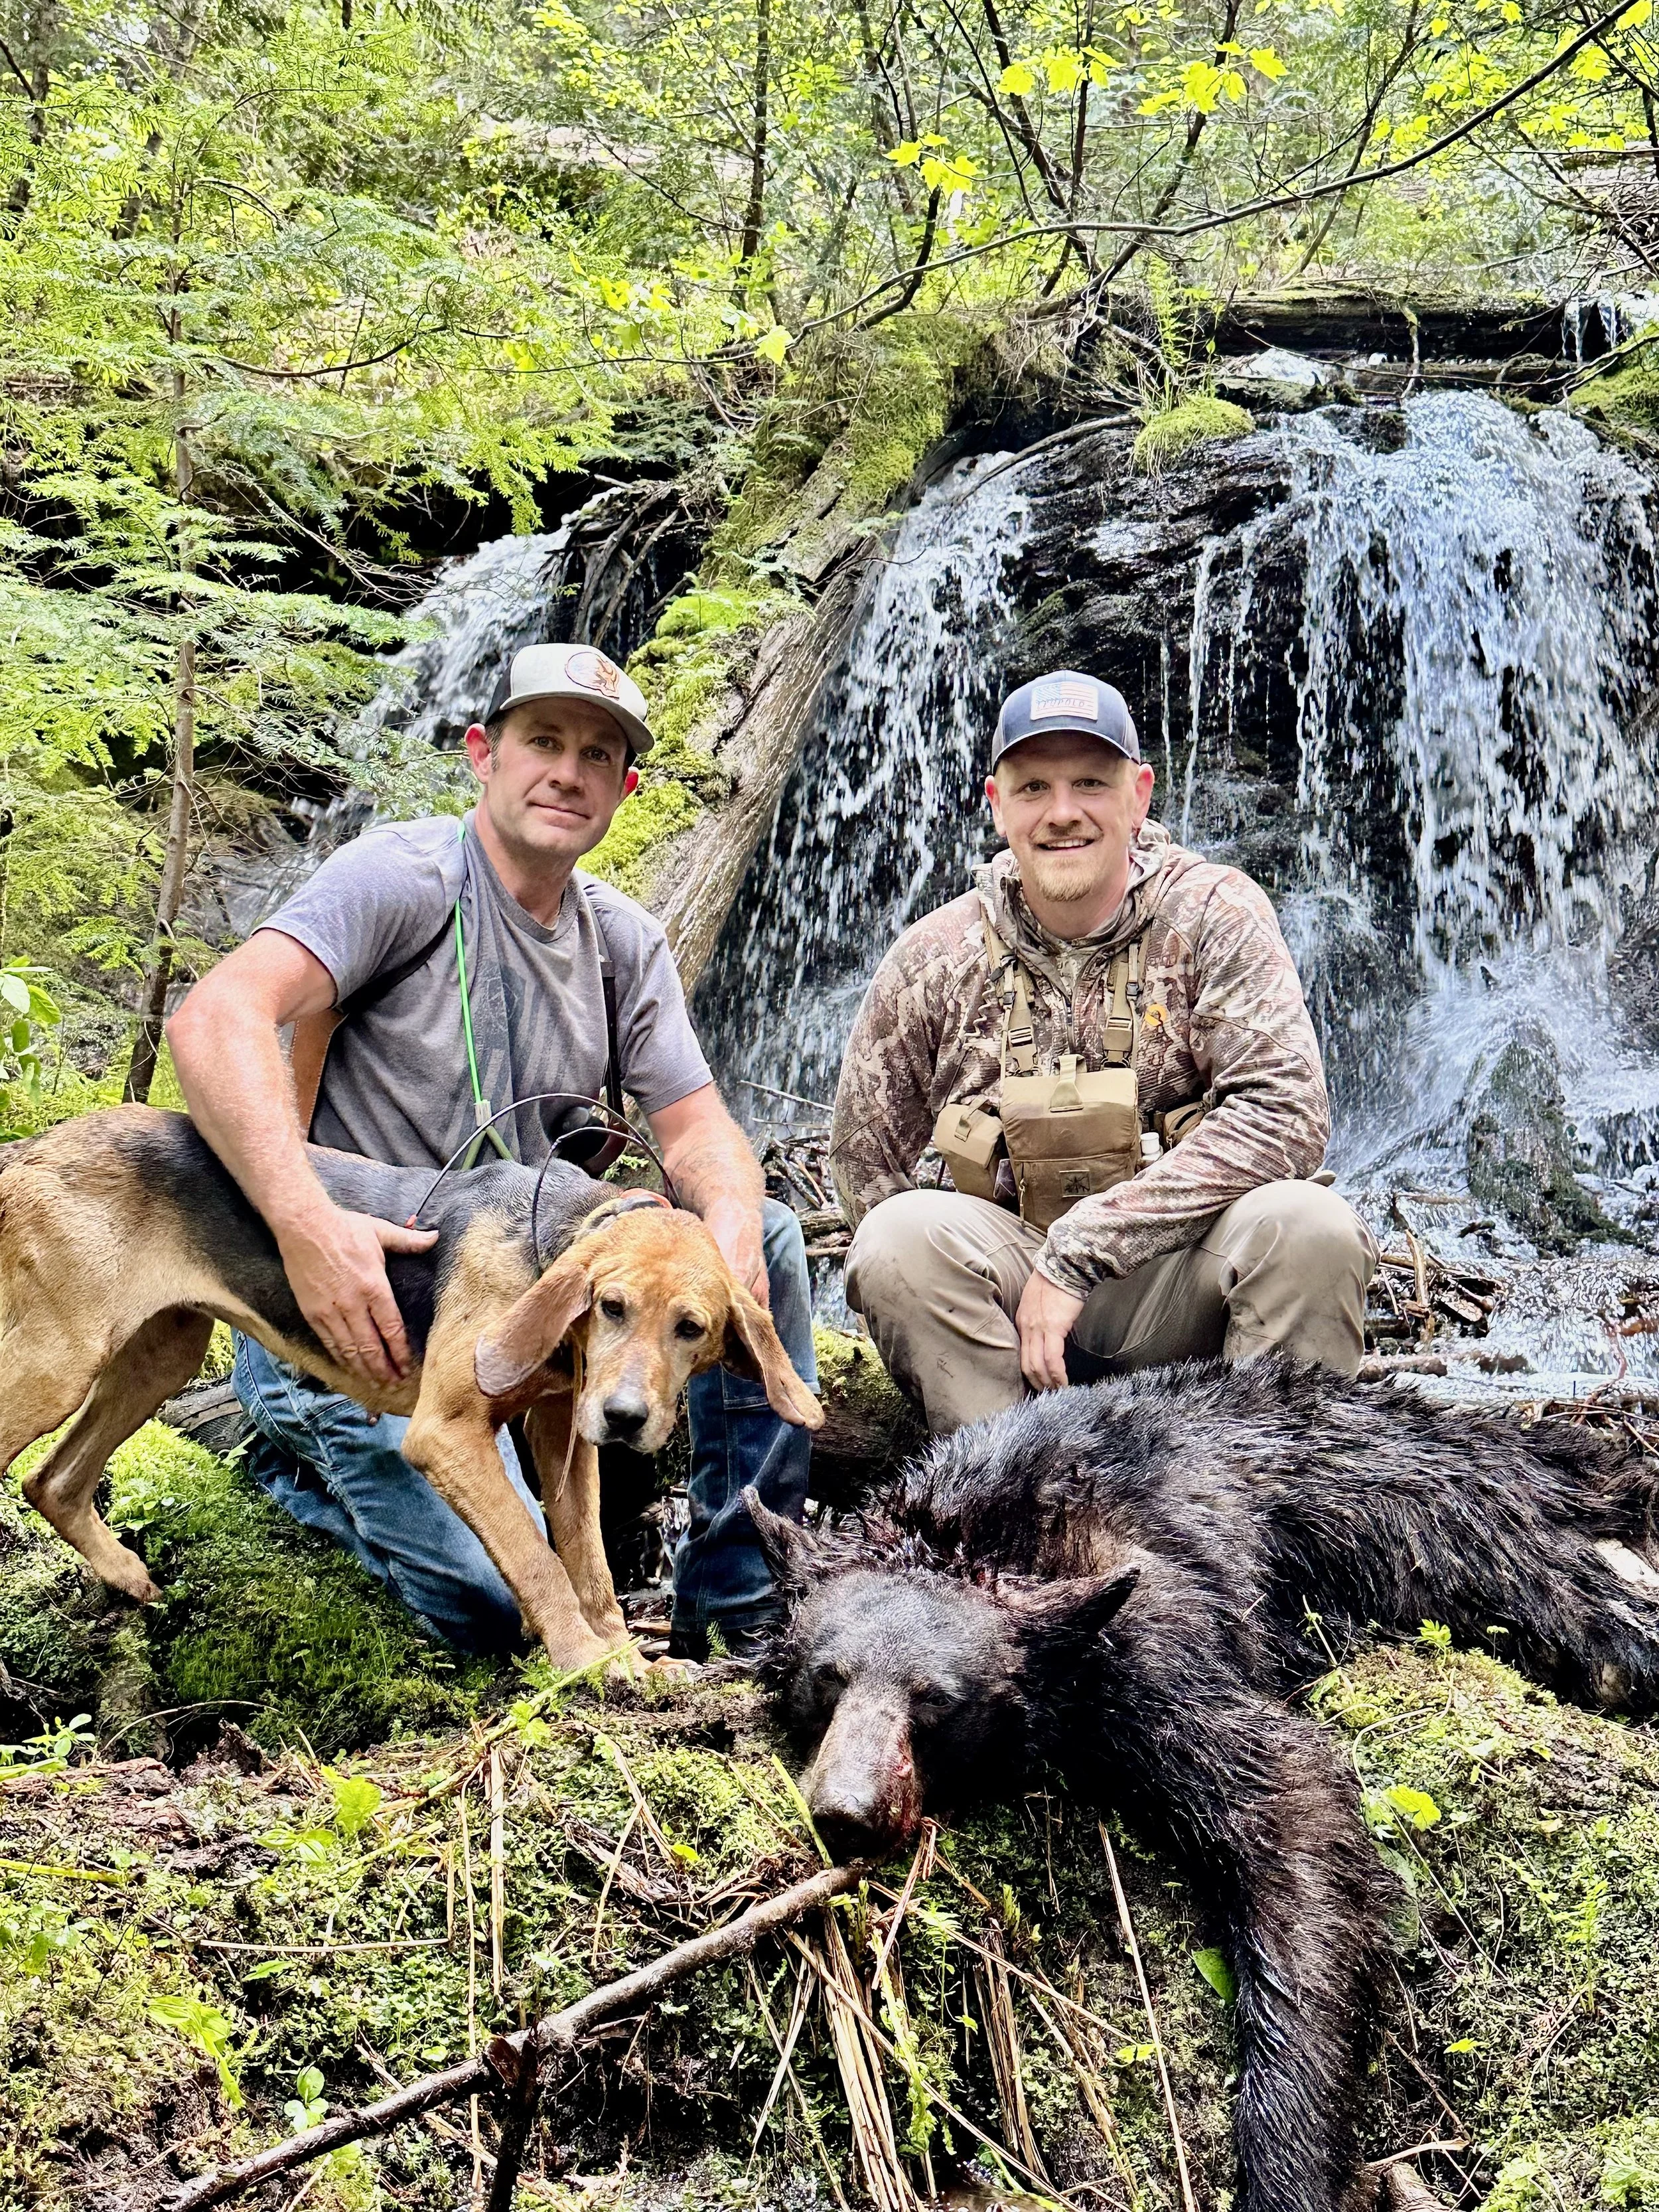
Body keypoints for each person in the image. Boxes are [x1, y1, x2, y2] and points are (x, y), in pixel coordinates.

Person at [167, 640, 814, 1660]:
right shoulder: (401, 877)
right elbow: (216, 1020)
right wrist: (304, 1226)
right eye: (543, 741)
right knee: (491, 1610)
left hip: (532, 1311)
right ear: (483, 752)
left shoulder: (624, 940)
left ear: (624, 788)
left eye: (598, 755)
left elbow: (700, 1133)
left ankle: (735, 1611)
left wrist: (724, 1251)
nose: (568, 770)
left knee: (771, 1232)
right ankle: (281, 1460)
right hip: (361, 1310)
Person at [831, 668, 1375, 1434]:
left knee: (1311, 1225)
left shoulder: (1214, 913)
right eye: (1032, 789)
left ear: (1139, 794)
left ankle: (1266, 1513)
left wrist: (1082, 1249)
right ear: (996, 806)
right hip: (1008, 1305)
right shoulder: (932, 958)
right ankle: (1006, 1510)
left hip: (1183, 1290)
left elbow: (1286, 1113)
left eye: (1090, 782)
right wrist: (934, 1321)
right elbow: (865, 1169)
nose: (1062, 813)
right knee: (897, 1242)